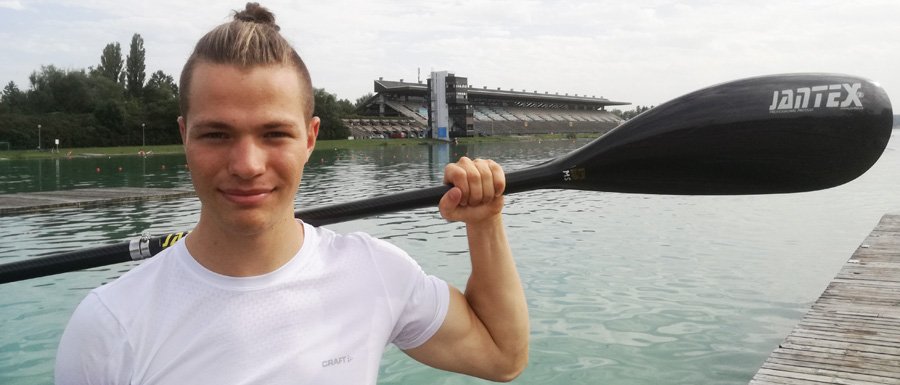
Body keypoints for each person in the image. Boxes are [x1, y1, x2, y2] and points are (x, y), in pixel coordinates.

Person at [54, 3, 528, 384]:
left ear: (310, 138)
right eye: (216, 135)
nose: (247, 165)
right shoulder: (108, 325)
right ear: (184, 136)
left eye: (274, 134)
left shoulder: (376, 273)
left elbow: (501, 357)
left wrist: (484, 224)